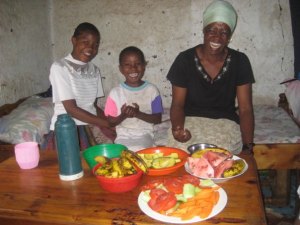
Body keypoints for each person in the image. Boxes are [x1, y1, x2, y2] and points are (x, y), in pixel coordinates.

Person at [166, 0, 255, 155]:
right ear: (204, 31)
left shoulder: (240, 61)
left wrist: (248, 147)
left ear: (229, 37)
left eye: (224, 32)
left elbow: (245, 109)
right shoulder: (185, 60)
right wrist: (177, 128)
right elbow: (177, 105)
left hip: (225, 122)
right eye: (211, 30)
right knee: (178, 154)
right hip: (190, 119)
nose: (217, 37)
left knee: (217, 158)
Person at [47, 22, 111, 150]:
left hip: (87, 126)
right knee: (69, 167)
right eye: (85, 42)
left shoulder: (94, 70)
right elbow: (71, 109)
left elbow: (92, 105)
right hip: (67, 128)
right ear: (74, 40)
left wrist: (110, 120)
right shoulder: (60, 67)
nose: (91, 48)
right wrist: (107, 123)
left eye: (95, 45)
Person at [104, 46, 163, 151]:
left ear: (144, 66)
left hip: (144, 134)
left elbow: (157, 119)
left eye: (138, 64)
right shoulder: (115, 93)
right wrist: (124, 115)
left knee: (140, 152)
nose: (133, 68)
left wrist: (137, 114)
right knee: (120, 155)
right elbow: (110, 122)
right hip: (122, 136)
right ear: (121, 69)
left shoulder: (152, 90)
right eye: (127, 65)